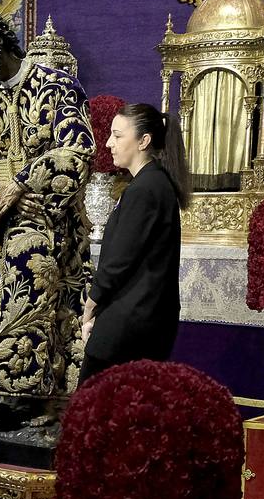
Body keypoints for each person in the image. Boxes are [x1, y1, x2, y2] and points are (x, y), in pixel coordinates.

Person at [0, 6, 93, 428]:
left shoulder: (56, 85)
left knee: (47, 309)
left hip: (51, 227)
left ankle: (45, 402)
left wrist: (23, 184)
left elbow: (78, 151)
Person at [80, 103, 192, 385]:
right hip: (137, 319)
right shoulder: (151, 183)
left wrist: (91, 305)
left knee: (94, 411)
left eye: (117, 136)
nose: (108, 144)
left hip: (130, 324)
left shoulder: (147, 188)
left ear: (144, 141)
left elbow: (120, 259)